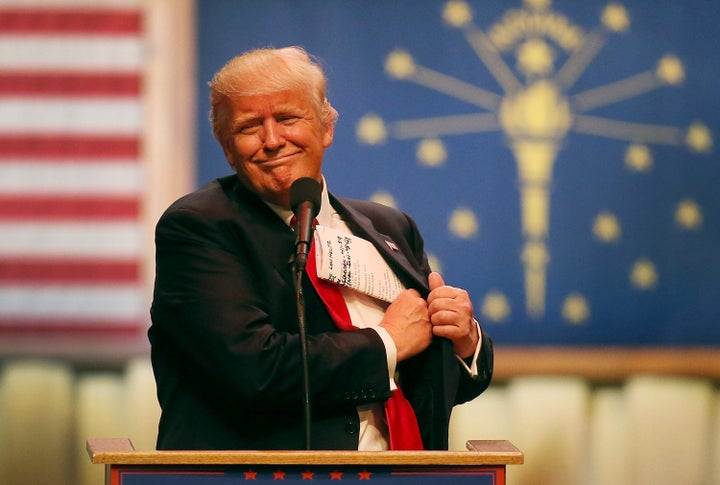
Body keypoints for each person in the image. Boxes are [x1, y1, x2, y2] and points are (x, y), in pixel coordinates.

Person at [149, 46, 493, 451]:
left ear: (326, 127)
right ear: (227, 148)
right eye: (249, 127)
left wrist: (461, 340)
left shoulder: (390, 228)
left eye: (288, 118)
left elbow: (423, 383)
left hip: (401, 473)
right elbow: (254, 370)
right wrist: (388, 343)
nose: (273, 140)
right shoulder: (199, 227)